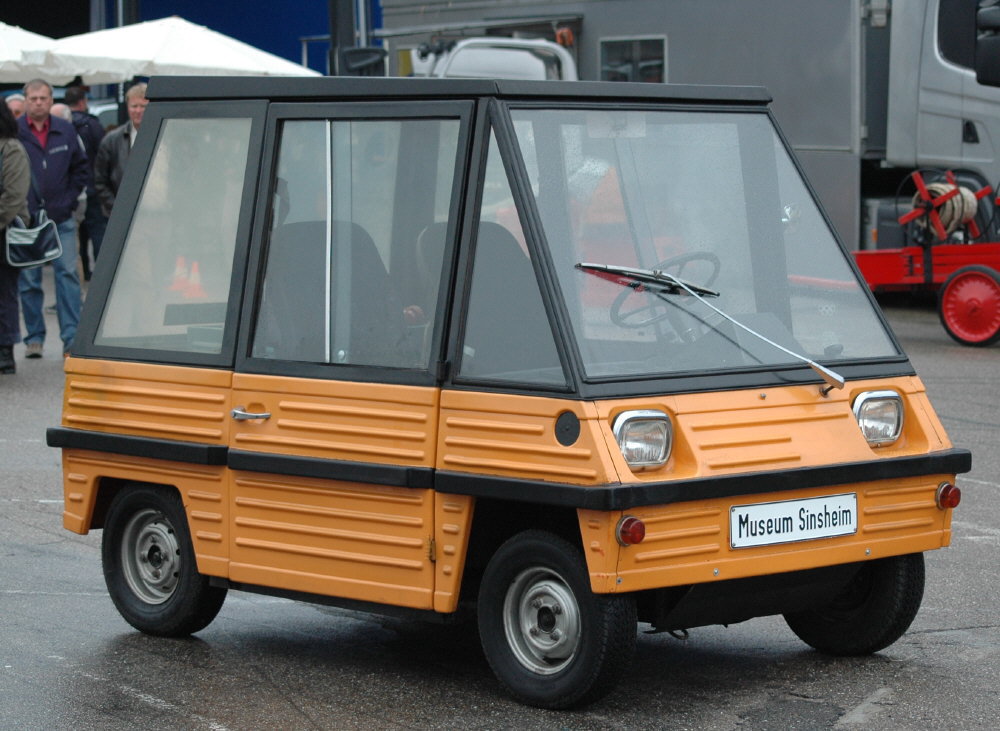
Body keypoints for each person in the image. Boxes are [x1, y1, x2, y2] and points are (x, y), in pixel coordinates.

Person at [17, 79, 88, 359]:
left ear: (51, 100)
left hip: (61, 217)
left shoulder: (66, 130)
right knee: (29, 279)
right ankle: (34, 337)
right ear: (25, 100)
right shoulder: (15, 132)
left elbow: (81, 169)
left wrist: (68, 201)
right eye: (33, 98)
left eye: (43, 98)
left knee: (68, 276)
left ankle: (72, 338)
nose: (38, 102)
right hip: (27, 220)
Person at [0, 102, 31, 374]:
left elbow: (13, 197)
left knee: (4, 294)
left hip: (5, 233)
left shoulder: (11, 149)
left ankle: (5, 351)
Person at [65, 86, 107, 280]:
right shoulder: (93, 125)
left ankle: (84, 273)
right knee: (97, 231)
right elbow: (103, 155)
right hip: (92, 186)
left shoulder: (63, 126)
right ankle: (102, 274)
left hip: (73, 190)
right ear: (83, 102)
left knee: (77, 235)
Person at [95, 83, 148, 218]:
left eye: (143, 106)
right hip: (121, 215)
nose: (138, 111)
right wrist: (117, 209)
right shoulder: (112, 140)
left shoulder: (164, 137)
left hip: (157, 212)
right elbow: (100, 181)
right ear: (127, 107)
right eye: (134, 106)